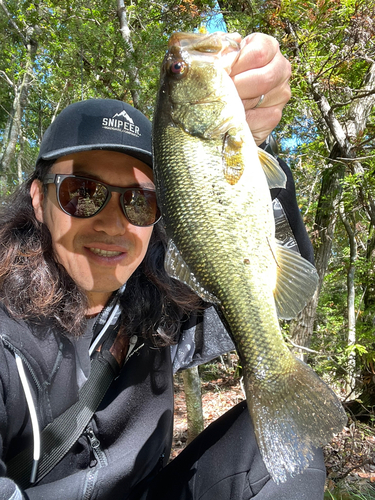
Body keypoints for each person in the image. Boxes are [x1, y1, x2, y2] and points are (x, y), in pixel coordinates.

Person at [0, 33, 325, 500]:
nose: (113, 224)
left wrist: (252, 147)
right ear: (39, 199)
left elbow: (264, 285)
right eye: (83, 193)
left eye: (139, 202)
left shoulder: (157, 308)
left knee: (288, 437)